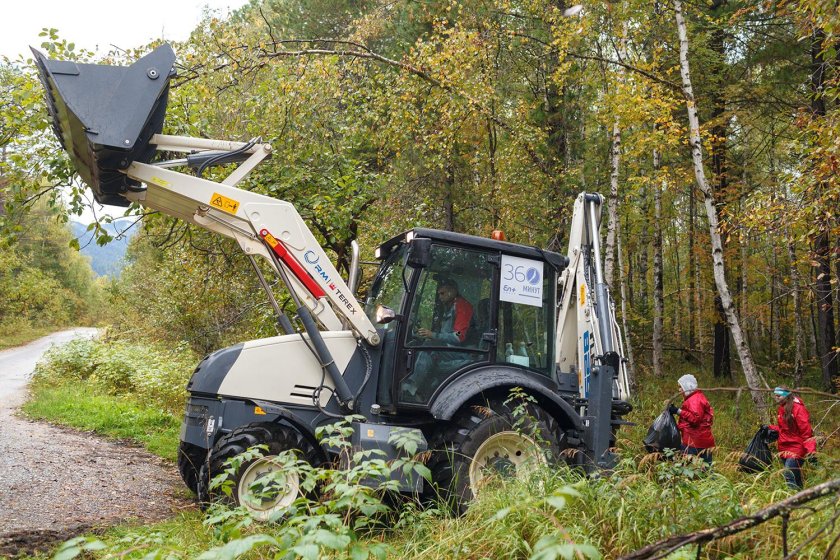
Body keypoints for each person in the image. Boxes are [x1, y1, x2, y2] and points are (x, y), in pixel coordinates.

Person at [768, 386, 816, 489]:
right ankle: (802, 498)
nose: (776, 398)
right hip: (784, 447)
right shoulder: (781, 408)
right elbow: (784, 429)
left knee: (788, 474)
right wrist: (769, 428)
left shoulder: (798, 408)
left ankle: (792, 501)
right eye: (775, 395)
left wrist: (811, 451)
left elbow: (806, 431)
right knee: (796, 477)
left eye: (778, 396)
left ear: (786, 396)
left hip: (797, 447)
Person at [668, 374, 715, 465]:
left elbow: (695, 419)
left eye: (680, 387)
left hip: (694, 442)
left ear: (687, 386)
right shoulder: (696, 397)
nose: (679, 390)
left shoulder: (694, 400)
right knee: (706, 471)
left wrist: (678, 411)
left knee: (688, 469)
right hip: (702, 441)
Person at [416, 277, 474, 345]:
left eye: (442, 293)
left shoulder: (462, 306)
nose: (440, 297)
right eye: (439, 294)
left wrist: (433, 335)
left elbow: (459, 336)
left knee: (427, 346)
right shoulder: (450, 306)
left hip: (462, 351)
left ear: (452, 291)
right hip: (448, 348)